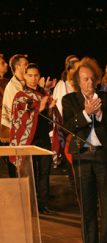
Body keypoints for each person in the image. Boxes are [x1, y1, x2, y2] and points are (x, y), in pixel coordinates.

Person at [62, 57, 107, 243]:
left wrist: (102, 114)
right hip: (82, 157)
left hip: (105, 157)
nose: (88, 83)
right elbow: (68, 126)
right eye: (84, 79)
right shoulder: (69, 101)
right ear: (77, 82)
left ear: (97, 79)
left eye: (91, 79)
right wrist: (86, 114)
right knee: (86, 205)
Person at [9, 63, 58, 215]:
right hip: (28, 141)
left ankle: (43, 205)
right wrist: (40, 107)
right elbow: (20, 117)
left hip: (43, 138)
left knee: (44, 173)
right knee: (29, 174)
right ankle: (30, 205)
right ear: (24, 76)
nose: (33, 78)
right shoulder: (20, 95)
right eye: (30, 75)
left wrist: (50, 109)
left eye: (36, 75)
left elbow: (49, 119)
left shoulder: (44, 94)